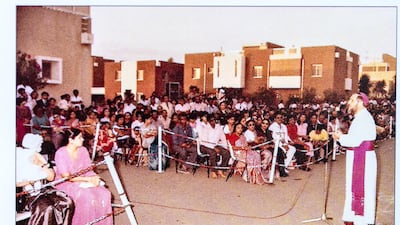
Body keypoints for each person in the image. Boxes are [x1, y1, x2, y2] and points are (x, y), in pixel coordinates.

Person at [333, 93, 377, 225]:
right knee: (353, 189)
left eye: (352, 100)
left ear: (359, 102)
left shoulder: (363, 118)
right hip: (359, 156)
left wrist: (339, 137)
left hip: (362, 159)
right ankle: (352, 218)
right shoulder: (361, 117)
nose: (349, 103)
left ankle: (360, 221)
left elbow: (355, 141)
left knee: (362, 190)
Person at [54, 128, 113, 225]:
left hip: (84, 181)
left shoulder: (83, 150)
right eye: (80, 137)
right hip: (66, 184)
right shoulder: (61, 153)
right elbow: (67, 177)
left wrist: (95, 178)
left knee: (105, 194)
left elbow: (88, 169)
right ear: (71, 140)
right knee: (87, 197)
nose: (83, 140)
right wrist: (88, 179)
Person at [16, 133, 74, 225]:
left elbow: (51, 177)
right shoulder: (16, 158)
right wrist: (30, 181)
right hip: (26, 195)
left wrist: (42, 163)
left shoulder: (39, 157)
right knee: (48, 208)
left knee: (66, 202)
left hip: (43, 190)